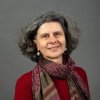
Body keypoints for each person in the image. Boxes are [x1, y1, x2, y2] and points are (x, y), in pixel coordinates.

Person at [14, 11, 90, 100]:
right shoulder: (25, 83)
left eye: (57, 34)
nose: (53, 40)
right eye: (45, 36)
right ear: (36, 45)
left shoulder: (80, 73)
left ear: (66, 39)